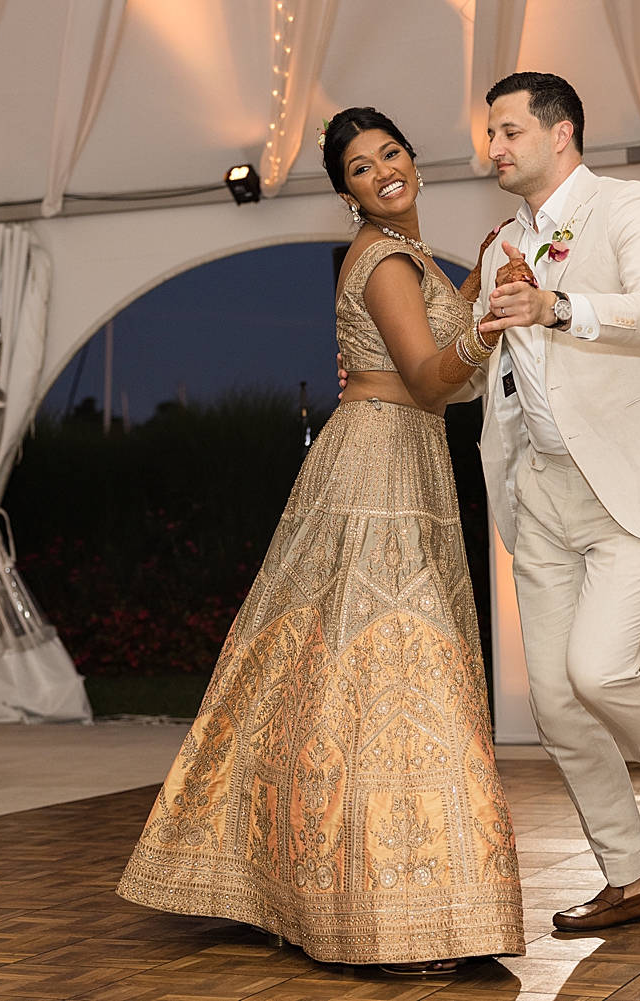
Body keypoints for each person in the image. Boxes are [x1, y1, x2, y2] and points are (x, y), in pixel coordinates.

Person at [118, 107, 524, 972]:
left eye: (390, 153)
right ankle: (393, 909)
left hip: (406, 460)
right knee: (392, 675)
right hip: (376, 465)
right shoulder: (379, 260)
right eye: (359, 167)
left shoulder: (417, 260)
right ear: (346, 193)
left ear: (413, 159)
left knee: (326, 675)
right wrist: (484, 322)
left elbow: (449, 378)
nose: (381, 170)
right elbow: (428, 376)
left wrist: (484, 282)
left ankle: (309, 886)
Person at [466, 73, 640, 929]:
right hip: (543, 489)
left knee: (599, 669)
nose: (495, 147)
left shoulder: (628, 208)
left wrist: (559, 305)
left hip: (633, 480)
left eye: (510, 130)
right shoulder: (495, 250)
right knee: (555, 701)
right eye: (490, 133)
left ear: (561, 134)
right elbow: (501, 378)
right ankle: (629, 878)